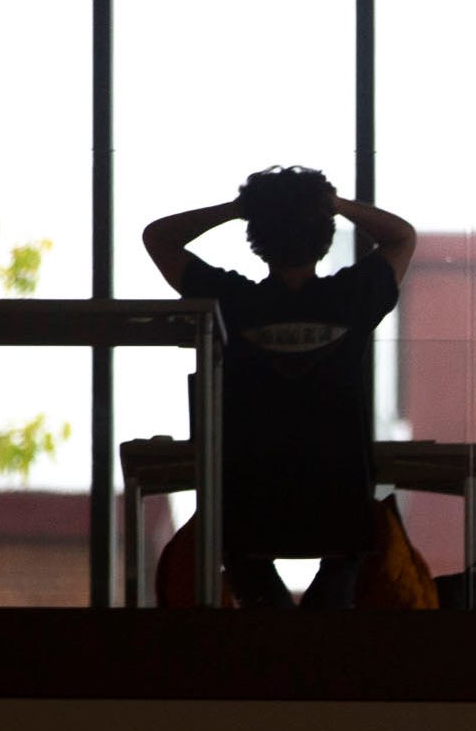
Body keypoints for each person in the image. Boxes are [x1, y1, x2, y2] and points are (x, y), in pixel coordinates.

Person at [141, 166, 419, 608]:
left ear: (257, 238)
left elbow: (159, 238)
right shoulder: (351, 299)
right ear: (325, 235)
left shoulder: (231, 304)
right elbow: (402, 237)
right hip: (339, 507)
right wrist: (335, 203)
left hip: (249, 508)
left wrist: (237, 209)